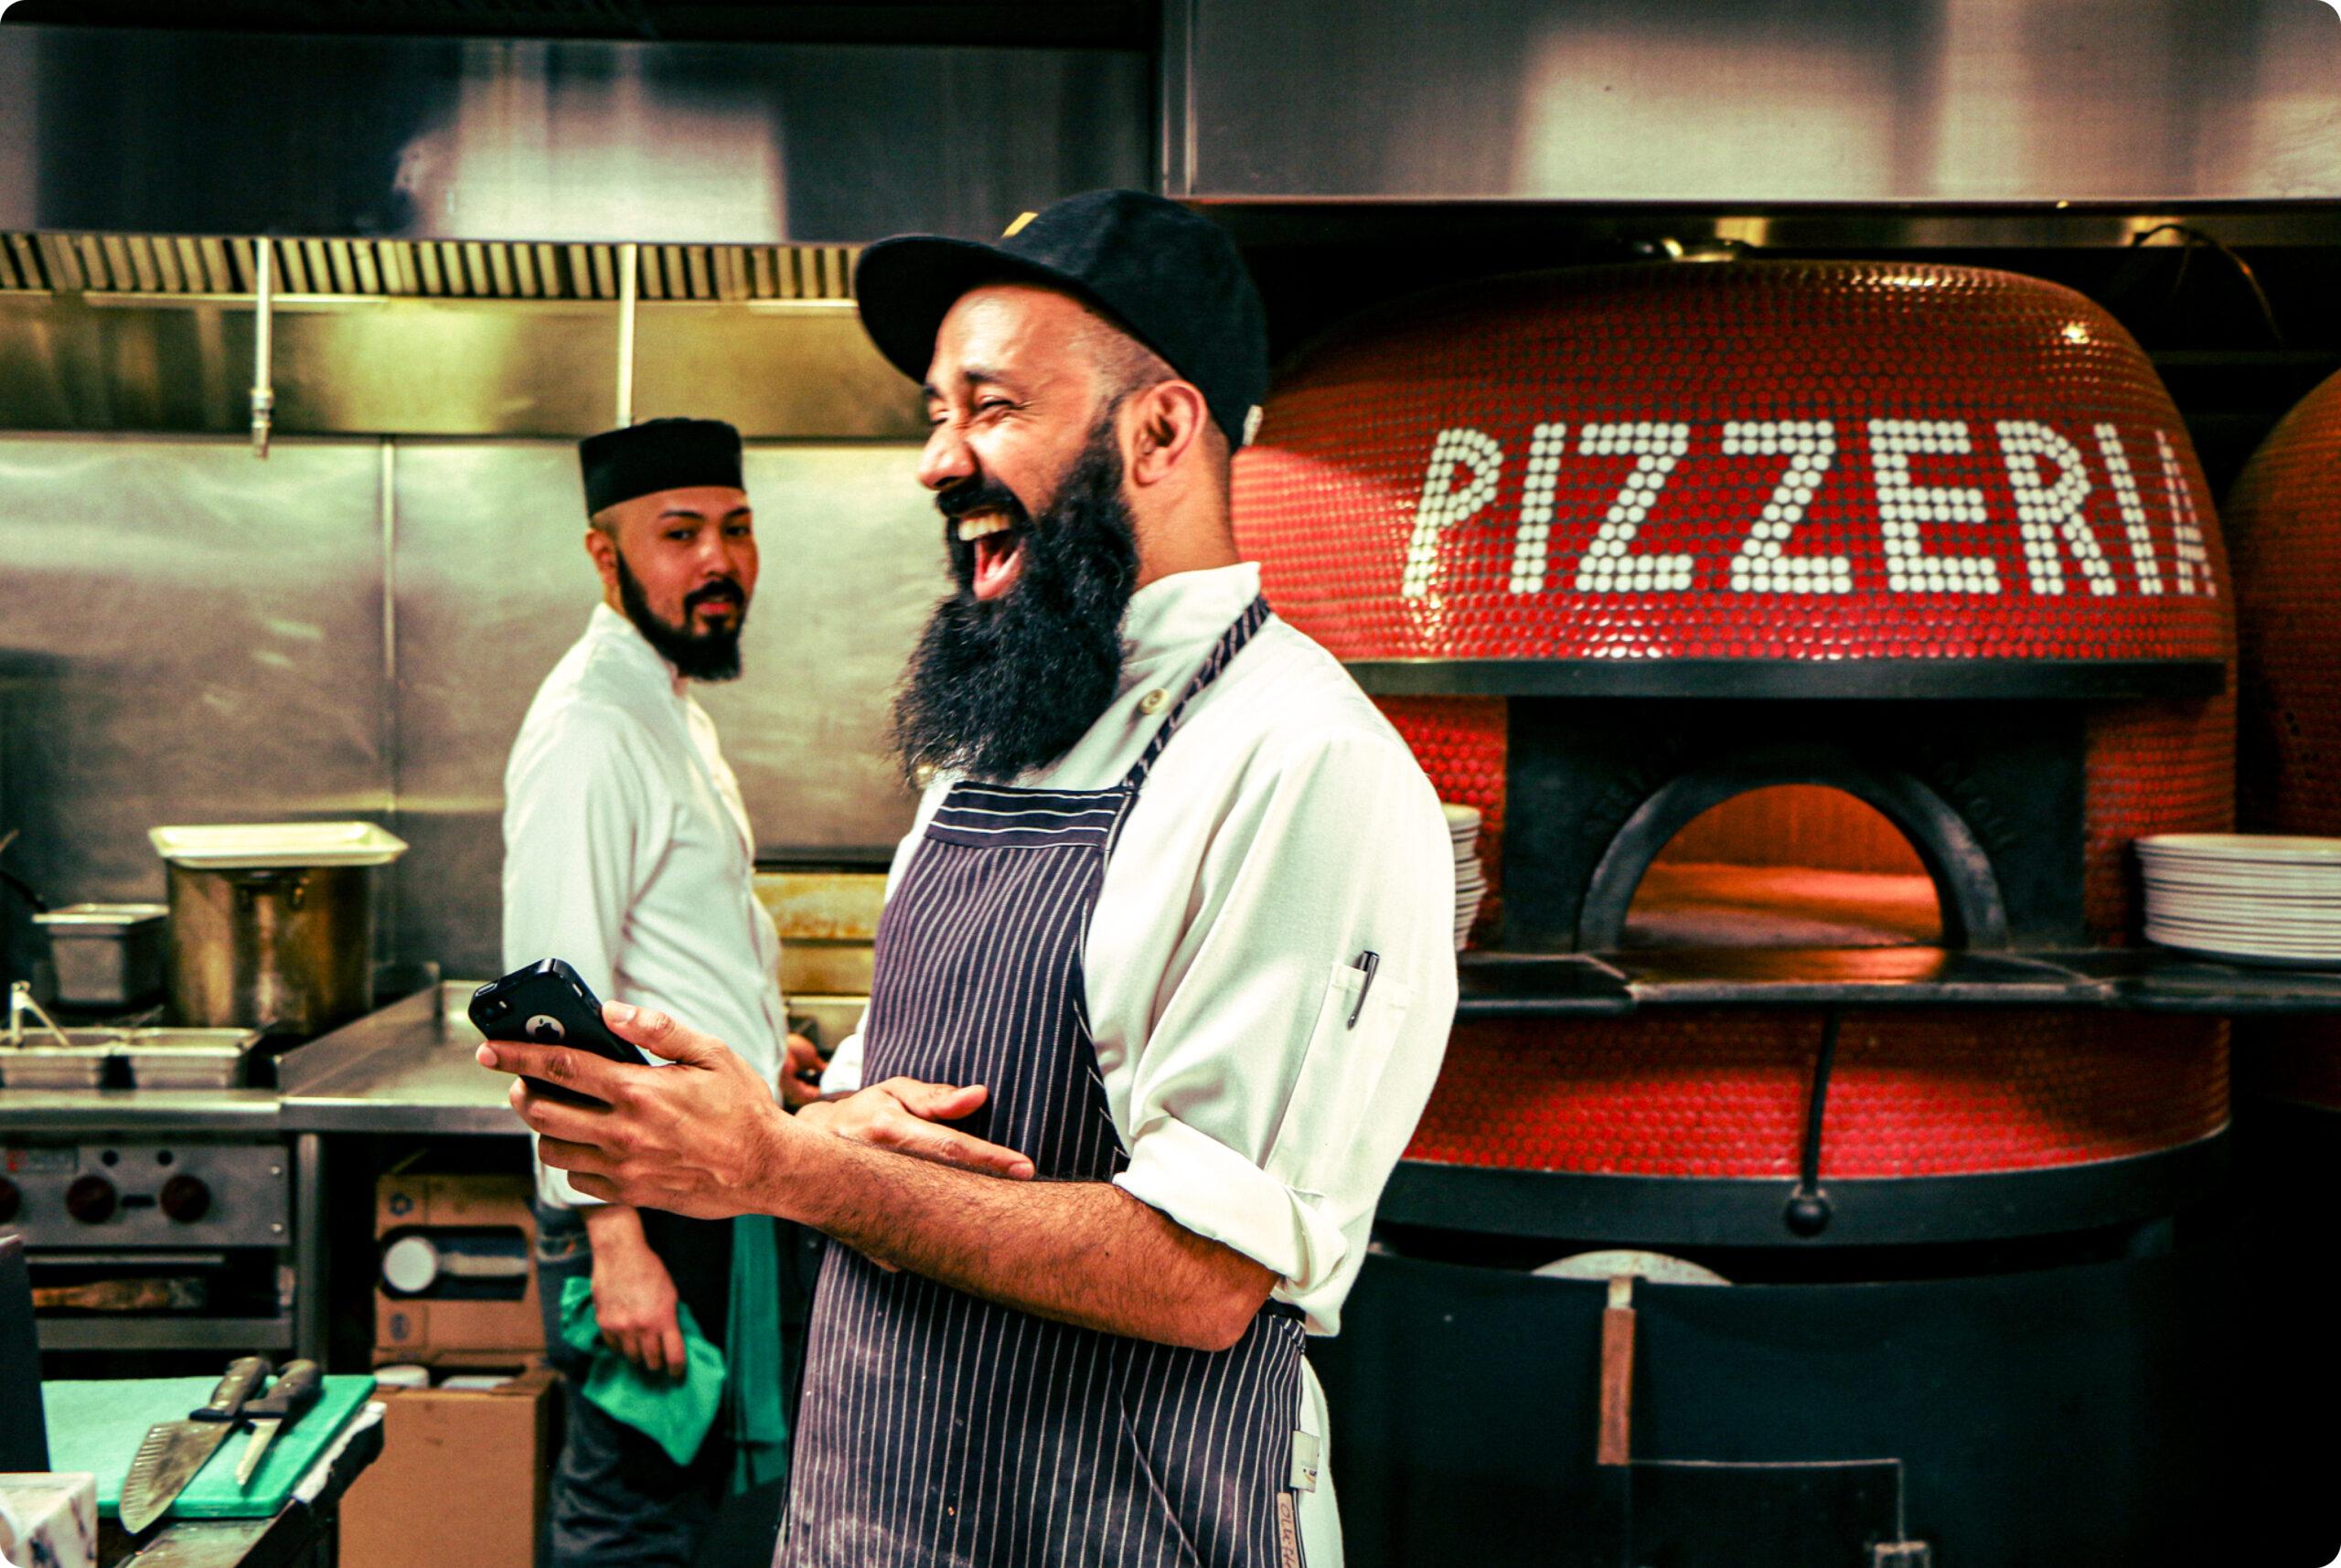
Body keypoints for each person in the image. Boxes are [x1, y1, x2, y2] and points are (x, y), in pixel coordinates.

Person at [481, 191, 1459, 1567]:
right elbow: (899, 1103)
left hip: (1121, 1527)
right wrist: (804, 1116)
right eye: (933, 416)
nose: (938, 463)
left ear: (1161, 429)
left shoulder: (1298, 762)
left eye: (989, 406)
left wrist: (780, 1164)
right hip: (879, 1507)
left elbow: (1201, 1272)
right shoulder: (1000, 741)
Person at [502, 416, 820, 1567]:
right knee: (629, 1518)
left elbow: (677, 945)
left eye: (735, 529)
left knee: (684, 1515)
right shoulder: (594, 723)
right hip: (641, 1201)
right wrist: (614, 1240)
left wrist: (761, 1049)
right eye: (678, 533)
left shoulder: (668, 703)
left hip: (703, 1177)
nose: (717, 561)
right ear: (606, 555)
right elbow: (549, 1005)